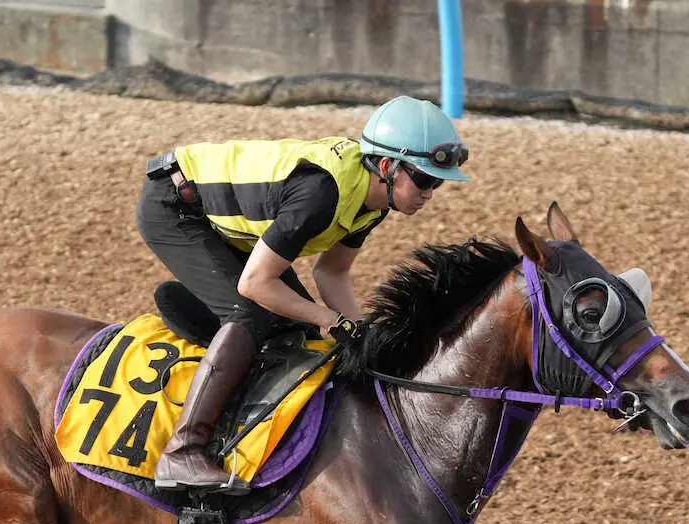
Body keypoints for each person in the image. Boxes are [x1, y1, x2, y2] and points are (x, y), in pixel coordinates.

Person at [137, 95, 471, 494]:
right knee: (251, 313)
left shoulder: (375, 202)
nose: (430, 193)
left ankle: (217, 330)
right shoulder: (321, 194)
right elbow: (255, 284)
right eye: (424, 179)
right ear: (387, 166)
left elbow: (332, 272)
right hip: (175, 206)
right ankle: (182, 452)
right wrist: (327, 319)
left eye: (436, 183)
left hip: (222, 220)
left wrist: (363, 336)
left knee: (297, 326)